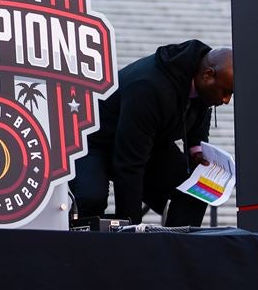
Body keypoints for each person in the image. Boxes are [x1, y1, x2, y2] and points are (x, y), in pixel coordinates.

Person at [70, 40, 233, 226]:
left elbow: (199, 113)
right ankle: (88, 251)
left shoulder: (202, 80)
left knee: (196, 189)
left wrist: (196, 148)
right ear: (208, 75)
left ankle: (176, 249)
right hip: (95, 141)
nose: (226, 100)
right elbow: (129, 164)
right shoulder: (149, 87)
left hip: (146, 141)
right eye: (226, 92)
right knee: (91, 198)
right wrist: (132, 230)